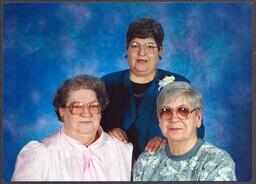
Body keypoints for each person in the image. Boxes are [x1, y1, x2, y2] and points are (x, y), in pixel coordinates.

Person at [101, 18, 204, 160]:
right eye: (135, 45)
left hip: (162, 167)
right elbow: (87, 129)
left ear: (160, 51)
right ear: (127, 49)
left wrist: (168, 141)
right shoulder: (106, 83)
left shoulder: (180, 84)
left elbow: (197, 131)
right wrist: (106, 132)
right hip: (113, 167)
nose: (141, 53)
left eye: (150, 46)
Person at [11, 75, 133, 181]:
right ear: (62, 110)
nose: (86, 113)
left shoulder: (122, 150)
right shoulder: (41, 154)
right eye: (77, 106)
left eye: (93, 106)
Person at [133, 81, 236, 181]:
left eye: (183, 110)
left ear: (198, 118)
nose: (174, 119)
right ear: (159, 119)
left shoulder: (217, 162)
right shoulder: (146, 160)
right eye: (166, 111)